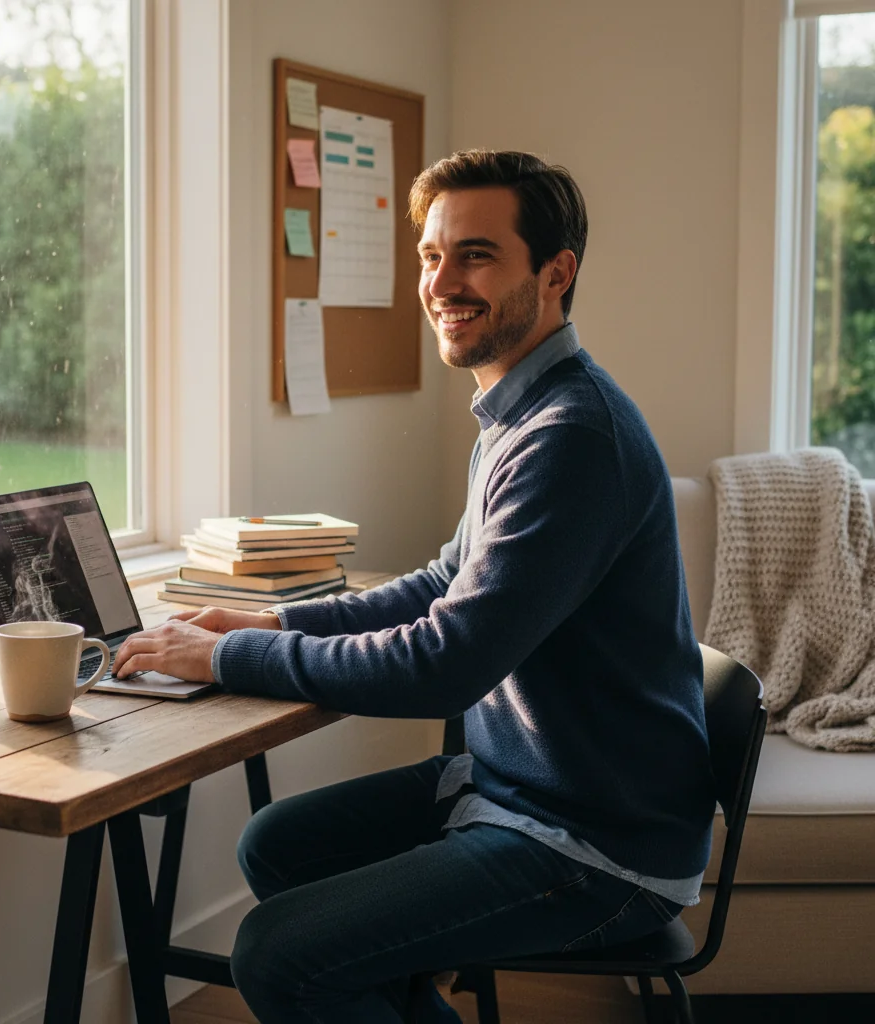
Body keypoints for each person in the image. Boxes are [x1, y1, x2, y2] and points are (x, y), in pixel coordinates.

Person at [112, 149, 716, 1024]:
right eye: (433, 256)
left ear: (557, 274)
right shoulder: (517, 410)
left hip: (593, 844)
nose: (442, 282)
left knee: (276, 954)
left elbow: (445, 662)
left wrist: (232, 656)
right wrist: (269, 618)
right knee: (280, 846)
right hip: (519, 788)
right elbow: (443, 582)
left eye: (475, 254)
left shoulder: (571, 436)